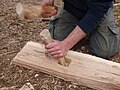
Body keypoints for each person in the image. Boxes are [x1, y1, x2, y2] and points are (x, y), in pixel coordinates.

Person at [41, 0, 120, 59]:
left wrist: (65, 44)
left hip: (97, 10)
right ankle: (81, 27)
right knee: (56, 39)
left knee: (105, 51)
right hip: (72, 7)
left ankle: (88, 29)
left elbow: (95, 14)